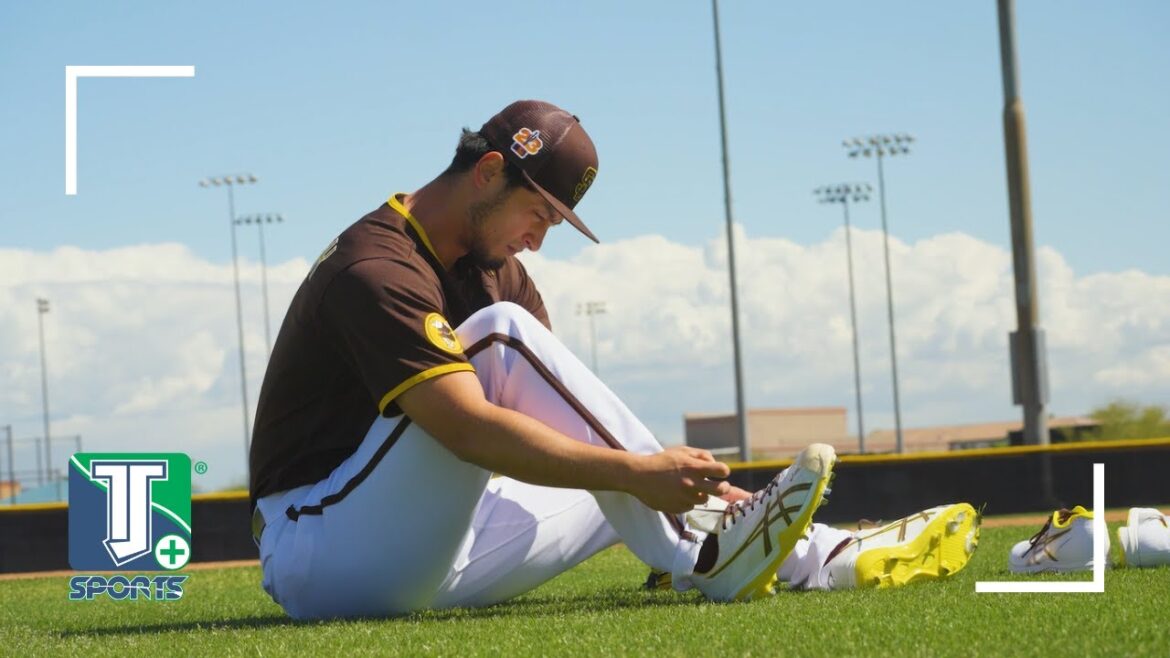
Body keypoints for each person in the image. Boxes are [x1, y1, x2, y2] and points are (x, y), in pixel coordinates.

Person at [248, 99, 841, 620]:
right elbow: (466, 428)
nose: (538, 239)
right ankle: (704, 553)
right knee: (505, 339)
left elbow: (566, 421)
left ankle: (819, 555)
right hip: (319, 544)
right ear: (487, 172)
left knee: (608, 469)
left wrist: (682, 485)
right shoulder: (376, 266)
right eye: (538, 214)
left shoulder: (499, 271)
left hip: (423, 549)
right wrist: (641, 474)